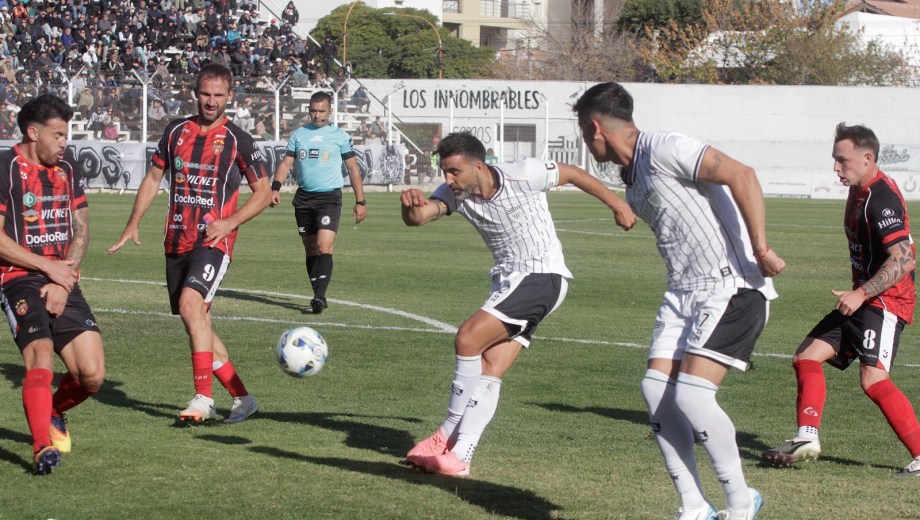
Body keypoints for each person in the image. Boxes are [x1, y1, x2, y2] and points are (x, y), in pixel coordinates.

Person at [573, 82, 786, 519]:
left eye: (581, 130)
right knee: (655, 391)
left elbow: (741, 174)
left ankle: (741, 500)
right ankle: (694, 504)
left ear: (595, 128)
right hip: (682, 293)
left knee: (692, 398)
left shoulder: (666, 146)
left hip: (731, 287)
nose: (583, 140)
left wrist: (761, 248)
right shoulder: (631, 175)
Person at [401, 132, 636, 477]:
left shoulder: (524, 173)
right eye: (444, 172)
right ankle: (460, 456)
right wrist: (409, 208)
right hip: (511, 283)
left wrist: (617, 204)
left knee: (467, 338)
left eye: (454, 171)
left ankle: (445, 435)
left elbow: (571, 172)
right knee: (489, 367)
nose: (448, 180)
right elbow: (421, 217)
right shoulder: (455, 193)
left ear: (478, 166)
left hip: (542, 276)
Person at [108, 64, 271, 424]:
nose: (211, 102)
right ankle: (244, 399)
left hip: (213, 241)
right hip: (176, 239)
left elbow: (264, 192)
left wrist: (229, 223)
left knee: (189, 304)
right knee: (198, 321)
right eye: (205, 94)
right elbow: (153, 178)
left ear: (230, 97)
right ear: (194, 93)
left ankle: (203, 399)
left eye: (218, 96)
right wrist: (133, 222)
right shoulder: (175, 131)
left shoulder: (238, 139)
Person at [762, 123, 920, 476]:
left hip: (886, 302)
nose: (836, 168)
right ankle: (806, 437)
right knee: (806, 356)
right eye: (835, 160)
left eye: (841, 160)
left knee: (873, 379)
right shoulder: (860, 190)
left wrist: (862, 292)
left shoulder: (880, 199)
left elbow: (906, 258)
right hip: (863, 298)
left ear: (867, 158)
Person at [0, 94, 104, 475]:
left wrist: (65, 276)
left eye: (66, 135)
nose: (64, 142)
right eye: (58, 134)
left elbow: (81, 227)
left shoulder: (67, 168)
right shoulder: (4, 168)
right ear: (33, 132)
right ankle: (41, 446)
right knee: (40, 355)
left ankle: (55, 409)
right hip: (18, 277)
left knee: (92, 375)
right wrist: (48, 267)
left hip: (62, 276)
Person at [269, 91, 367, 315]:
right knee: (310, 247)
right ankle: (317, 293)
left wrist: (360, 200)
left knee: (325, 245)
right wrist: (275, 188)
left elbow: (353, 169)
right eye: (313, 110)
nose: (317, 115)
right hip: (304, 197)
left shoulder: (339, 136)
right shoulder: (299, 135)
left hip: (329, 197)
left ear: (330, 111)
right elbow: (286, 164)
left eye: (322, 111)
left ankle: (319, 296)